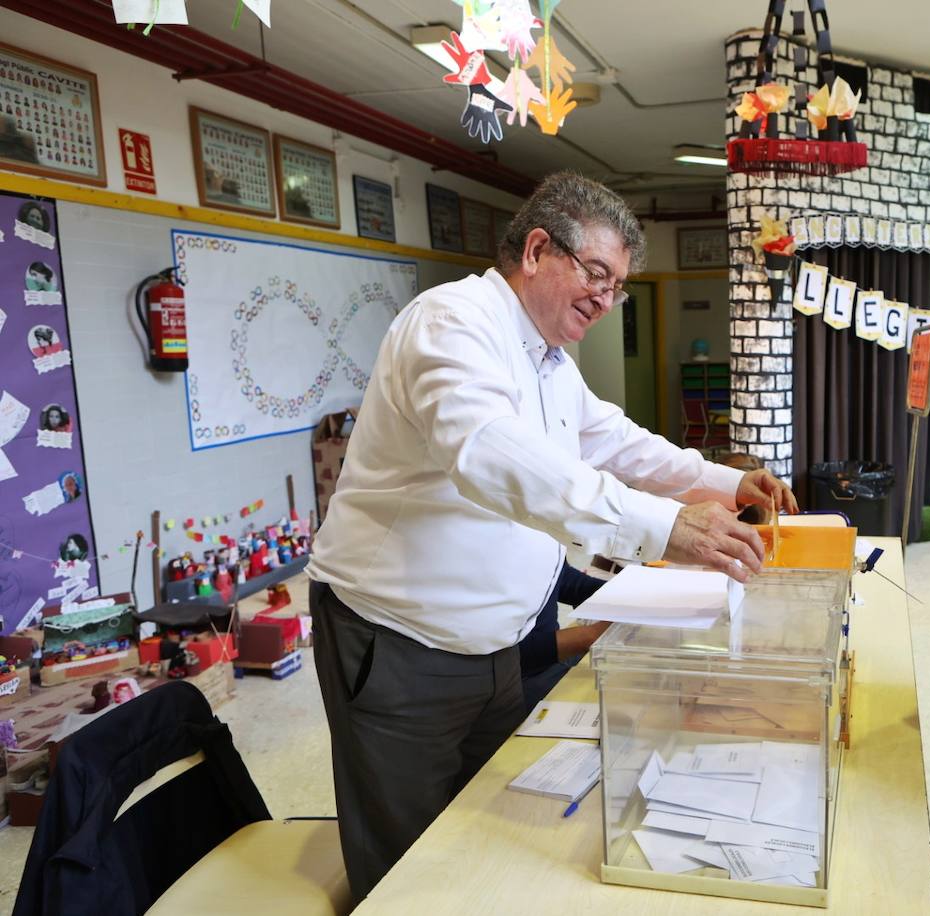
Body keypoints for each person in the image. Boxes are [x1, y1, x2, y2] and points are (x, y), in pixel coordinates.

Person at [306, 171, 798, 901]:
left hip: (496, 646)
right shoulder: (452, 323)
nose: (607, 298)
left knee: (489, 823)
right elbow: (493, 457)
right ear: (537, 249)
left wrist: (725, 481)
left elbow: (615, 440)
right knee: (409, 863)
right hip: (401, 642)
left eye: (619, 285)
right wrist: (665, 525)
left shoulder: (547, 360)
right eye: (596, 273)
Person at [517, 560, 607, 711]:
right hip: (520, 679)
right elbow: (506, 652)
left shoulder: (535, 544)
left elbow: (565, 579)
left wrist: (625, 595)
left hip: (551, 662)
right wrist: (590, 635)